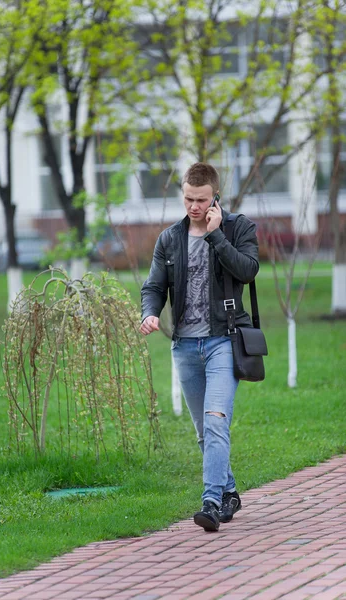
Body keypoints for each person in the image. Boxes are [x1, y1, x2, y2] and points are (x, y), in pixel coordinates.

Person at [140, 162, 259, 532]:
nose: (193, 206)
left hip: (225, 340)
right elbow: (154, 287)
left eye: (201, 199)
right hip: (186, 347)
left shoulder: (239, 227)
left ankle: (211, 501)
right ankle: (231, 492)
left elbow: (249, 270)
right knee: (202, 432)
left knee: (215, 421)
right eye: (188, 199)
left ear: (215, 197)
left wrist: (216, 235)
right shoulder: (169, 239)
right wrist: (150, 313)